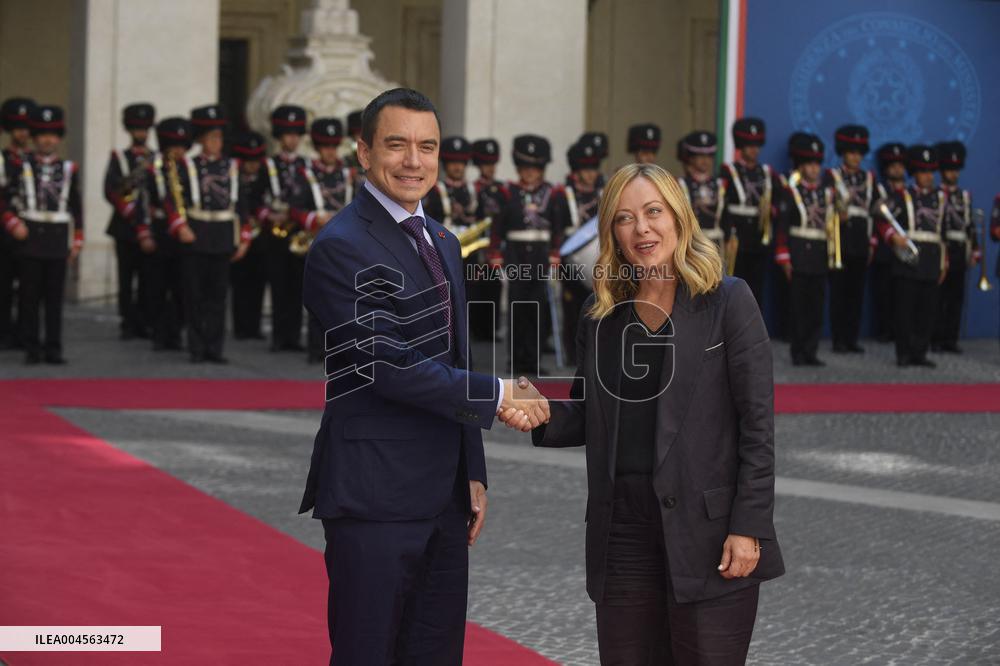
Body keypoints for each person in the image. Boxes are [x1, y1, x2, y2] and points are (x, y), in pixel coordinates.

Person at [298, 87, 549, 665]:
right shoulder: (341, 246)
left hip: (444, 497)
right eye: (397, 145)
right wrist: (500, 393)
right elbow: (386, 364)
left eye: (427, 146)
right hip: (374, 496)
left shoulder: (441, 239)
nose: (414, 160)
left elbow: (452, 359)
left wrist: (472, 469)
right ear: (363, 153)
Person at [523, 162, 783, 664]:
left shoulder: (728, 301)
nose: (641, 229)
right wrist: (535, 410)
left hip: (709, 534)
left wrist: (749, 526)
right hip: (622, 529)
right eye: (624, 218)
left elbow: (758, 427)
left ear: (679, 217)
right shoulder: (601, 317)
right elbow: (588, 410)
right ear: (611, 233)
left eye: (653, 212)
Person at [165, 104, 250, 364]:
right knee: (194, 295)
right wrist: (180, 226)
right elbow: (172, 199)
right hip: (197, 233)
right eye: (212, 137)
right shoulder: (186, 165)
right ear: (201, 139)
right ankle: (196, 347)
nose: (217, 142)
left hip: (223, 235)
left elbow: (243, 205)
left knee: (217, 297)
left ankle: (215, 347)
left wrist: (244, 236)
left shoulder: (232, 167)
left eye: (219, 137)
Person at [1, 105, 83, 365]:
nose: (48, 140)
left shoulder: (69, 169)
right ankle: (32, 347)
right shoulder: (19, 165)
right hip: (30, 235)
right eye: (42, 134)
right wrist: (13, 222)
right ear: (35, 137)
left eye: (53, 134)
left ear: (59, 137)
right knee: (29, 297)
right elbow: (3, 200)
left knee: (54, 297)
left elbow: (76, 206)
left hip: (57, 236)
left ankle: (54, 347)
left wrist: (77, 239)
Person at [489, 134, 570, 374]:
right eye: (526, 168)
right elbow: (497, 228)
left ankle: (533, 361)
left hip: (540, 257)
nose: (531, 173)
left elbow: (557, 228)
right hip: (515, 256)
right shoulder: (506, 193)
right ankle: (515, 361)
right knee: (518, 308)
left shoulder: (553, 194)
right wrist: (495, 254)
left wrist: (556, 254)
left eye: (535, 168)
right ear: (518, 167)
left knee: (537, 309)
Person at [288, 117, 356, 363]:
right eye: (325, 146)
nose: (330, 151)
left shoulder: (349, 174)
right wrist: (315, 218)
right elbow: (294, 209)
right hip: (316, 242)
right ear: (317, 147)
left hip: (345, 244)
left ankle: (341, 349)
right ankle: (317, 349)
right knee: (318, 297)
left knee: (345, 298)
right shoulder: (305, 174)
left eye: (333, 145)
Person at [874, 145, 947, 367]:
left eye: (930, 172)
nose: (928, 177)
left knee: (927, 311)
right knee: (905, 310)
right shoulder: (902, 196)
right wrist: (892, 237)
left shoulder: (941, 198)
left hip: (931, 259)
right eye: (923, 172)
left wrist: (944, 262)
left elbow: (942, 234)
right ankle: (904, 353)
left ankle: (920, 352)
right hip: (906, 260)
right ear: (914, 173)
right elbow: (881, 218)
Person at [775, 133, 834, 366]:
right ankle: (798, 351)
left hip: (820, 254)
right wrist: (784, 256)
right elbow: (783, 226)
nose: (814, 169)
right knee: (799, 307)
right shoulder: (790, 191)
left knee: (816, 307)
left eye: (817, 164)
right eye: (809, 164)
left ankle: (811, 350)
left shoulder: (826, 193)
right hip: (798, 253)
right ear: (801, 166)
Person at [137, 116, 191, 352]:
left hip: (182, 232)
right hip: (159, 229)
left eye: (181, 145)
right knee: (156, 286)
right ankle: (158, 331)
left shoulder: (189, 169)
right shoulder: (152, 169)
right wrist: (144, 233)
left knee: (182, 286)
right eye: (173, 146)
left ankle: (176, 330)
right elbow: (142, 203)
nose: (178, 151)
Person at [823, 125, 877, 354]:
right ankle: (838, 339)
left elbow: (875, 212)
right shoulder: (832, 177)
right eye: (851, 152)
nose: (855, 157)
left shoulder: (869, 179)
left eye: (859, 153)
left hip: (861, 241)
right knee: (839, 293)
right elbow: (821, 208)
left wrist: (872, 242)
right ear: (843, 153)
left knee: (856, 294)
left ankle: (852, 338)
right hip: (840, 240)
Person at [104, 102, 155, 340]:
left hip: (149, 227)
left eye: (144, 129)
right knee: (126, 278)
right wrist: (132, 213)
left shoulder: (155, 158)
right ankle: (127, 321)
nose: (141, 134)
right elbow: (110, 190)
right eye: (137, 129)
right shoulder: (119, 158)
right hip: (125, 227)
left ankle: (145, 319)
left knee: (147, 277)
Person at [264, 104, 309, 352]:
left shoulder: (306, 166)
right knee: (279, 284)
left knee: (298, 285)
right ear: (279, 136)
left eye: (295, 134)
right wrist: (268, 216)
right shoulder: (268, 165)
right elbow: (254, 199)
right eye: (287, 134)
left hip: (299, 232)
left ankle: (293, 335)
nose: (292, 139)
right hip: (275, 232)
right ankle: (279, 336)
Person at [720, 117, 776, 308]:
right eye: (749, 145)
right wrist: (728, 233)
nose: (754, 149)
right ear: (740, 146)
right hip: (737, 239)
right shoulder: (729, 171)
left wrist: (772, 210)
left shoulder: (766, 172)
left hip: (759, 239)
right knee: (734, 286)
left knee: (756, 287)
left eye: (757, 145)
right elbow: (722, 206)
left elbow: (782, 202)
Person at [932, 141, 978, 353]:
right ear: (942, 171)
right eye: (949, 170)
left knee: (956, 297)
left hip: (960, 249)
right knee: (937, 296)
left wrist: (975, 249)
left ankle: (951, 338)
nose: (953, 174)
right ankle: (935, 337)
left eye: (956, 170)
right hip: (942, 248)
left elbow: (970, 225)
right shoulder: (935, 194)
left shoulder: (964, 196)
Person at [561, 139, 604, 365]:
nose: (590, 174)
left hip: (597, 257)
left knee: (598, 306)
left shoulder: (603, 193)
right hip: (570, 260)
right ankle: (572, 354)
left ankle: (594, 353)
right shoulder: (564, 193)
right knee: (572, 308)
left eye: (593, 169)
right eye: (585, 169)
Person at [0, 97, 36, 350]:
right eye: (17, 128)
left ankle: (26, 331)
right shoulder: (3, 159)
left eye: (25, 128)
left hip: (32, 230)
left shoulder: (36, 161)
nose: (22, 133)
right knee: (3, 284)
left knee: (30, 286)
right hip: (4, 229)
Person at [229, 131, 270, 341]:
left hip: (260, 235)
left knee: (258, 281)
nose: (252, 165)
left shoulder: (265, 176)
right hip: (240, 233)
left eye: (255, 161)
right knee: (239, 281)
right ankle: (240, 326)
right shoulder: (233, 176)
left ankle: (254, 326)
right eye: (248, 161)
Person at [870, 142, 908, 343]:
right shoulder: (879, 190)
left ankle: (899, 330)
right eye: (892, 165)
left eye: (900, 165)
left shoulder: (910, 193)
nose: (897, 169)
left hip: (904, 250)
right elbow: (875, 218)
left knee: (902, 295)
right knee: (883, 292)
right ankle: (884, 330)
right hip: (885, 250)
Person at [470, 138, 506, 342]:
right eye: (486, 164)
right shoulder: (474, 189)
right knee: (476, 286)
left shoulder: (502, 190)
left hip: (495, 244)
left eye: (492, 164)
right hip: (477, 245)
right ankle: (476, 329)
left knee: (494, 285)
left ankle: (491, 329)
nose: (490, 168)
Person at [678, 130, 726, 256]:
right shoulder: (681, 184)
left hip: (716, 245)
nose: (705, 160)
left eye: (709, 156)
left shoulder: (720, 184)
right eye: (700, 156)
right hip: (692, 244)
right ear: (691, 158)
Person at [423, 136, 477, 230]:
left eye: (461, 162)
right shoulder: (435, 191)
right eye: (452, 162)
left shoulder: (473, 190)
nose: (457, 167)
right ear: (445, 164)